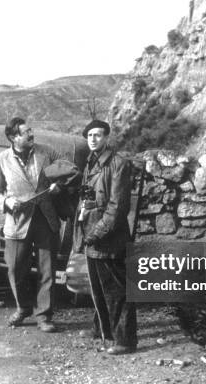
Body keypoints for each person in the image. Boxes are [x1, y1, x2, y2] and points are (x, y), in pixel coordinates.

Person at [0, 117, 62, 332]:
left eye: (31, 130)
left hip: (45, 218)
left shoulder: (47, 152)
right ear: (13, 137)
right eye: (26, 132)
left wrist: (59, 185)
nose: (31, 134)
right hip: (17, 221)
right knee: (15, 269)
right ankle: (23, 308)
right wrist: (7, 201)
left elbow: (67, 171)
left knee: (46, 270)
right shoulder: (1, 160)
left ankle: (44, 316)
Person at [73, 119, 137, 355]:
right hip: (92, 234)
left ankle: (125, 340)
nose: (93, 139)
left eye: (98, 135)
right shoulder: (91, 162)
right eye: (89, 135)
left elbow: (117, 207)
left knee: (117, 290)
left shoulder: (118, 164)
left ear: (107, 137)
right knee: (98, 286)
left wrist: (96, 233)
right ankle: (100, 328)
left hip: (109, 238)